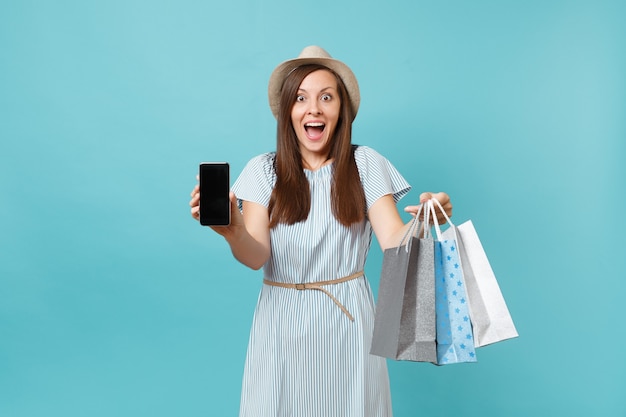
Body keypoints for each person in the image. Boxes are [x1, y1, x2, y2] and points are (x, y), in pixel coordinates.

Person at [189, 46, 452, 417]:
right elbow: (256, 256)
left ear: (341, 110)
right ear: (287, 113)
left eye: (326, 97)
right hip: (279, 321)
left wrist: (428, 216)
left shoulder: (365, 164)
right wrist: (231, 229)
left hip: (348, 321)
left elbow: (394, 239)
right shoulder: (264, 171)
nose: (313, 108)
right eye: (301, 98)